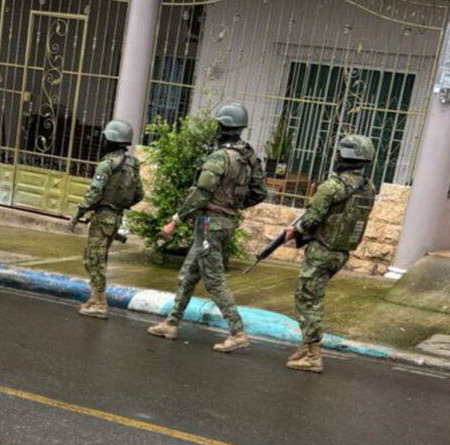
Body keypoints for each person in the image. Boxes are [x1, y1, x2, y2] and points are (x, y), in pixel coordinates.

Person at [147, 103, 267, 352]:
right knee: (189, 273)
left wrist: (175, 221)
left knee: (214, 281)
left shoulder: (220, 157)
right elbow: (260, 192)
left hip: (208, 224)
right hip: (221, 223)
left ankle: (237, 332)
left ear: (223, 127)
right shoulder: (248, 157)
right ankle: (171, 323)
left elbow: (201, 194)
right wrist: (233, 206)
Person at [282, 134, 376, 373]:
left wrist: (295, 231)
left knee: (308, 299)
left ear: (344, 156)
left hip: (322, 250)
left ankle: (313, 354)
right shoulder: (368, 187)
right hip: (341, 252)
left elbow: (312, 218)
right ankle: (306, 346)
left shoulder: (332, 186)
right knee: (313, 296)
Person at [68, 119, 143, 319]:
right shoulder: (132, 164)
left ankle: (100, 302)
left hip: (103, 218)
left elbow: (94, 192)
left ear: (110, 140)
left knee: (93, 259)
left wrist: (78, 213)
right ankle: (95, 297)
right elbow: (139, 194)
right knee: (100, 257)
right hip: (116, 217)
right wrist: (120, 205)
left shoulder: (107, 165)